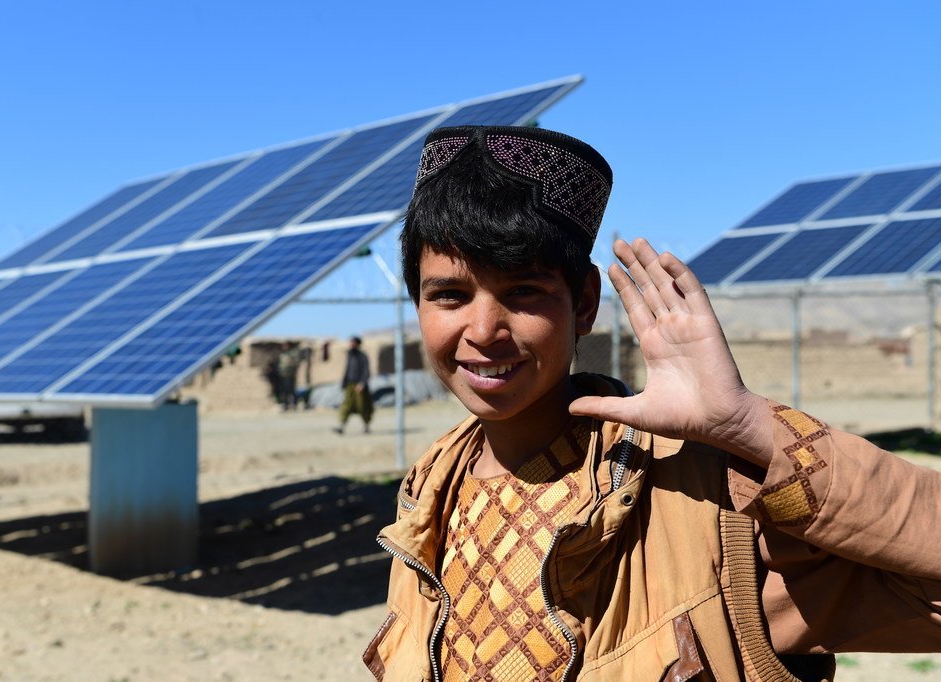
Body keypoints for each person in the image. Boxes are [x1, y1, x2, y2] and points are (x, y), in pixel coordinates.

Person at [364, 125, 941, 681]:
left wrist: (750, 427)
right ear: (417, 305)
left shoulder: (707, 501)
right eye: (449, 295)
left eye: (524, 292)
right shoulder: (430, 493)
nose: (484, 329)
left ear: (585, 302)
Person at [336, 336, 373, 434]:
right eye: (350, 342)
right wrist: (344, 383)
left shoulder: (362, 356)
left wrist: (362, 383)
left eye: (353, 342)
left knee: (362, 406)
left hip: (359, 386)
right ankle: (341, 426)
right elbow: (347, 370)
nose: (351, 344)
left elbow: (366, 371)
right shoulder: (350, 356)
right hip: (349, 385)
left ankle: (366, 426)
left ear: (357, 344)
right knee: (346, 406)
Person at [277, 341, 300, 411]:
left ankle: (294, 404)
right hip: (282, 375)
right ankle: (285, 405)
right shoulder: (282, 354)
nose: (284, 347)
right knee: (284, 391)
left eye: (285, 345)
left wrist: (290, 361)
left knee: (291, 390)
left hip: (290, 375)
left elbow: (296, 363)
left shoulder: (292, 354)